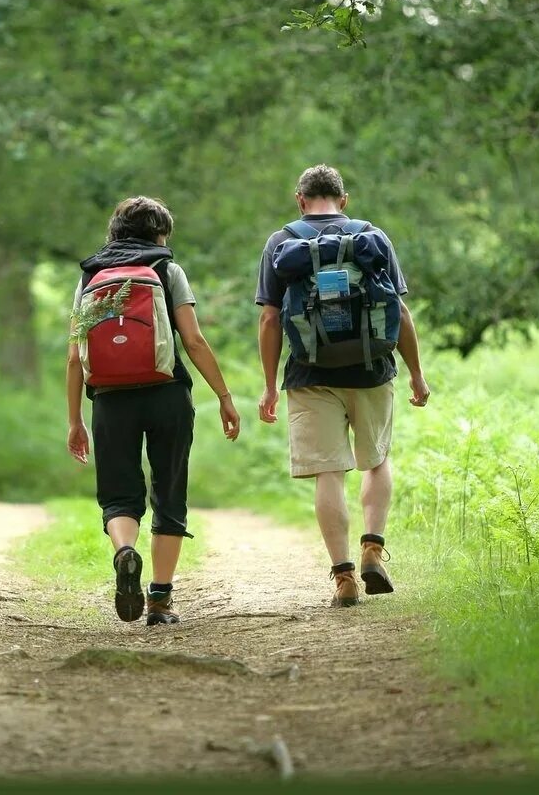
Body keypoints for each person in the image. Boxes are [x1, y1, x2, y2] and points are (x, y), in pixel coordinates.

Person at [255, 165, 430, 607]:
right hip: (372, 369)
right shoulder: (372, 237)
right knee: (376, 460)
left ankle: (344, 578)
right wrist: (416, 374)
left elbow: (270, 318)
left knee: (329, 473)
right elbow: (400, 312)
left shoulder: (282, 243)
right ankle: (372, 547)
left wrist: (270, 385)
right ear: (344, 200)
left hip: (310, 374)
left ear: (300, 199)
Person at [66, 196, 240, 626]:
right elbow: (194, 341)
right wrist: (223, 395)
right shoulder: (167, 270)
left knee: (119, 494)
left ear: (115, 230)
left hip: (109, 399)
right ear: (161, 234)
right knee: (169, 491)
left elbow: (75, 357)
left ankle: (125, 551)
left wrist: (75, 420)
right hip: (167, 394)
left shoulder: (91, 276)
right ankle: (160, 600)